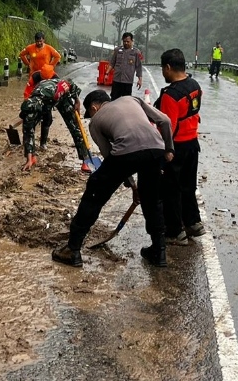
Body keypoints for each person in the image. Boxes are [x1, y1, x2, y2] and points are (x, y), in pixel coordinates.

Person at [51, 90, 174, 268]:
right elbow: (165, 121)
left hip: (126, 154)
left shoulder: (96, 121)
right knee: (152, 200)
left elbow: (110, 157)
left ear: (94, 107)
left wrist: (130, 183)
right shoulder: (132, 99)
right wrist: (169, 149)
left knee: (94, 193)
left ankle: (72, 249)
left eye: (90, 112)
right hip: (156, 149)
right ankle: (159, 251)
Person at [156, 48, 204, 244]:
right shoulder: (195, 85)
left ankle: (175, 231)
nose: (163, 73)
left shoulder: (170, 96)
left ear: (168, 67)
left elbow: (168, 127)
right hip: (193, 144)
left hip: (177, 147)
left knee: (171, 189)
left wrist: (165, 151)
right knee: (188, 185)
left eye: (162, 69)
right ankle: (193, 223)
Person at [18, 65, 89, 173]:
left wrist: (77, 101)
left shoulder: (55, 88)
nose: (29, 117)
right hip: (45, 103)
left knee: (74, 127)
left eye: (31, 115)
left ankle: (85, 160)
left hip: (62, 99)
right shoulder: (31, 104)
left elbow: (70, 84)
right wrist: (29, 158)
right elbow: (28, 133)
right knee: (27, 127)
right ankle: (32, 158)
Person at [108, 32, 144, 100]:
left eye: (128, 41)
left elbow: (139, 67)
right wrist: (106, 74)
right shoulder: (117, 50)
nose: (126, 43)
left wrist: (140, 80)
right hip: (117, 80)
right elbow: (112, 63)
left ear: (132, 41)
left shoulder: (136, 52)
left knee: (126, 101)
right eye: (124, 41)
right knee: (114, 99)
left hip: (128, 81)